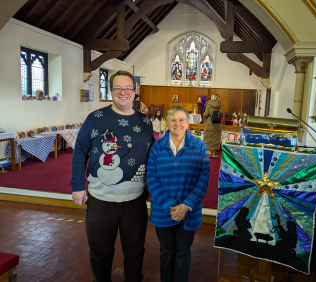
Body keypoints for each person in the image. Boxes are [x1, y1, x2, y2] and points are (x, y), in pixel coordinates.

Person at [71, 70, 155, 282]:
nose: (123, 92)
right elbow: (80, 151)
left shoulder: (145, 122)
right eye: (118, 88)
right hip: (101, 201)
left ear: (135, 92)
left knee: (135, 253)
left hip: (135, 202)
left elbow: (153, 156)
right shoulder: (95, 119)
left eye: (128, 88)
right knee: (100, 253)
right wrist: (77, 185)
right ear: (111, 91)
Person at [147, 106, 210, 282]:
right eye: (173, 120)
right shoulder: (157, 147)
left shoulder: (199, 146)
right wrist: (171, 206)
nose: (177, 124)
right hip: (163, 211)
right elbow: (151, 178)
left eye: (182, 119)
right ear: (166, 122)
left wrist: (186, 205)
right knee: (166, 253)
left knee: (182, 254)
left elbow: (203, 179)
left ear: (188, 122)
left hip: (188, 212)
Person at [203, 94, 224, 158]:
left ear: (212, 98)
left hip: (210, 124)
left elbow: (205, 115)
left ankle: (208, 152)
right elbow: (222, 115)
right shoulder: (220, 106)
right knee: (216, 138)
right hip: (217, 124)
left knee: (208, 137)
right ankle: (214, 153)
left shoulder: (208, 105)